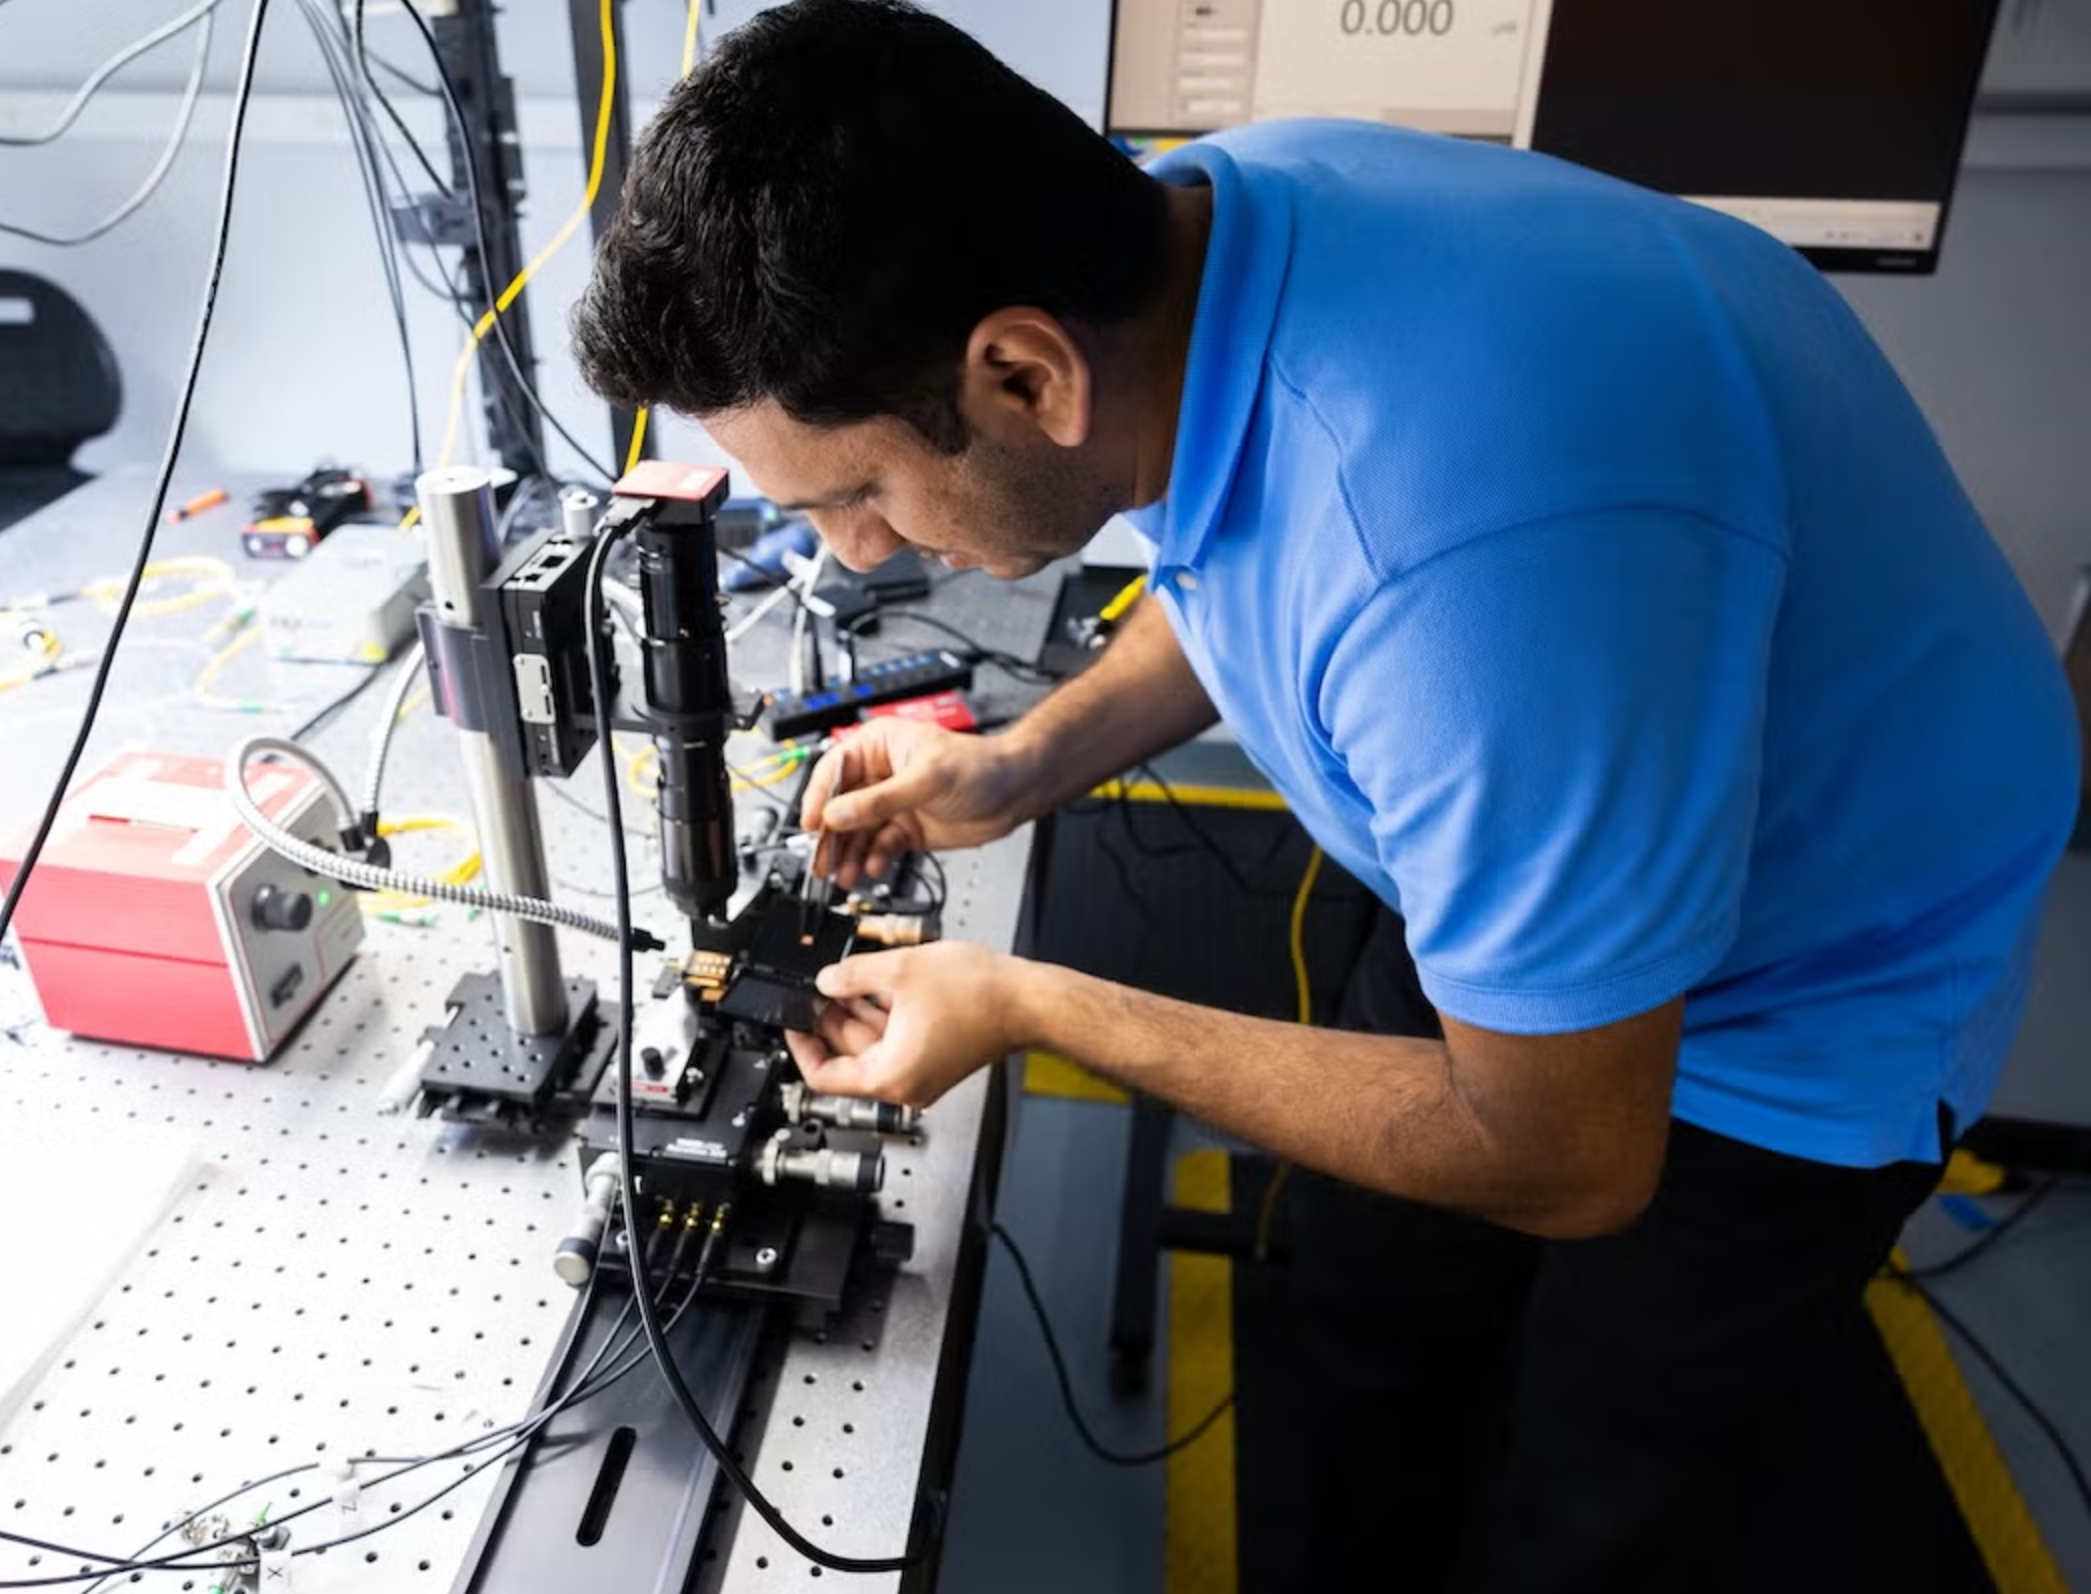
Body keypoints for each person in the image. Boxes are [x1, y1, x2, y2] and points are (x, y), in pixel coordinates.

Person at [570, 2, 2083, 1589]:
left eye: (861, 491)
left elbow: (1572, 1149)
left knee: (1593, 1490)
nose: (851, 555)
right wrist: (1024, 762)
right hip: (1534, 818)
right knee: (1363, 1304)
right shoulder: (1209, 223)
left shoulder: (1477, 562)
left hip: (1802, 981)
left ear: (1021, 372)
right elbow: (1252, 542)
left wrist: (1036, 1004)